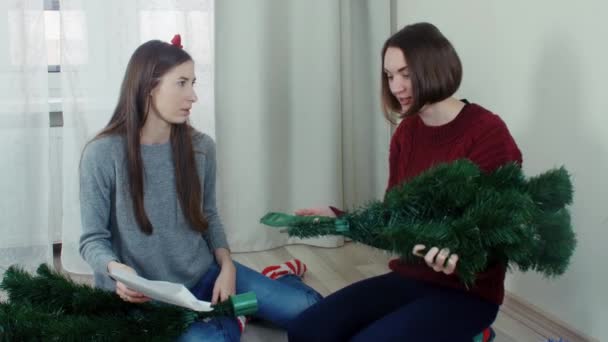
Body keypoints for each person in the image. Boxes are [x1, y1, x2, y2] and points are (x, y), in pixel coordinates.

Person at [288, 22, 522, 341]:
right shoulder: (407, 134)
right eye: (389, 75)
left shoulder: (488, 133)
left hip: (468, 294)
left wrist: (459, 248)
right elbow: (393, 223)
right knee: (306, 332)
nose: (395, 86)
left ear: (434, 67)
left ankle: (474, 333)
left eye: (405, 73)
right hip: (411, 278)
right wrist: (339, 221)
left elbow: (503, 229)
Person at [79, 36, 321, 342]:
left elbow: (208, 215)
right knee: (213, 339)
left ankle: (270, 286)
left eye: (194, 83)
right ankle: (240, 312)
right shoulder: (102, 154)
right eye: (181, 83)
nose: (193, 96)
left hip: (205, 274)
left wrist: (228, 267)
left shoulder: (201, 148)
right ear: (148, 86)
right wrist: (117, 272)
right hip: (146, 297)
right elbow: (92, 239)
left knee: (314, 311)